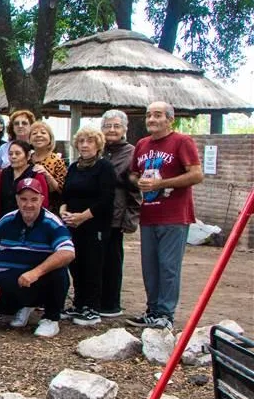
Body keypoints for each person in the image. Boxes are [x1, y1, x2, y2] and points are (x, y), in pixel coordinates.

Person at [126, 101, 203, 331]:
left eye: (157, 115)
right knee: (149, 267)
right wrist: (138, 182)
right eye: (149, 115)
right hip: (149, 214)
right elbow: (132, 174)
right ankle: (152, 311)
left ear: (170, 119)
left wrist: (162, 183)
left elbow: (196, 174)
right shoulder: (141, 144)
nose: (151, 120)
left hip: (174, 215)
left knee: (168, 266)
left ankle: (166, 314)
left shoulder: (182, 142)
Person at [0, 178, 75, 338]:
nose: (28, 204)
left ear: (42, 199)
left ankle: (51, 318)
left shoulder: (52, 222)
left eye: (34, 199)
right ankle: (21, 307)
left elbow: (68, 252)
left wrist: (36, 272)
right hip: (11, 279)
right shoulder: (6, 221)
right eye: (23, 199)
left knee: (60, 273)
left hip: (37, 279)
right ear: (17, 200)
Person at [59, 127, 116, 327]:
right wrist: (64, 211)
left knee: (92, 265)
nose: (84, 145)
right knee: (75, 264)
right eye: (81, 141)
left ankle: (92, 307)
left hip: (95, 224)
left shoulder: (105, 168)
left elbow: (106, 198)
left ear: (98, 145)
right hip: (72, 224)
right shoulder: (74, 167)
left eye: (89, 141)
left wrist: (83, 217)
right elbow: (66, 193)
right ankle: (79, 303)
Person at [99, 110, 140, 318]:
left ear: (125, 129)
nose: (112, 130)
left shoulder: (131, 153)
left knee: (112, 260)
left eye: (116, 126)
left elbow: (135, 189)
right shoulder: (99, 149)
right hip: (96, 214)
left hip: (116, 214)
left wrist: (130, 218)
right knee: (97, 259)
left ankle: (110, 303)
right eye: (108, 126)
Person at [0, 141, 48, 221]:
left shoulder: (36, 174)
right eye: (10, 154)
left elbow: (43, 202)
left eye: (17, 153)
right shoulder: (4, 173)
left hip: (29, 222)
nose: (13, 157)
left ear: (28, 156)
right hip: (5, 221)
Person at [29, 121, 67, 210]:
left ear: (50, 138)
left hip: (51, 208)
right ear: (29, 139)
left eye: (43, 132)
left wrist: (47, 174)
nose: (38, 135)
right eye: (34, 133)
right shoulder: (27, 159)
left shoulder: (57, 160)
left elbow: (62, 189)